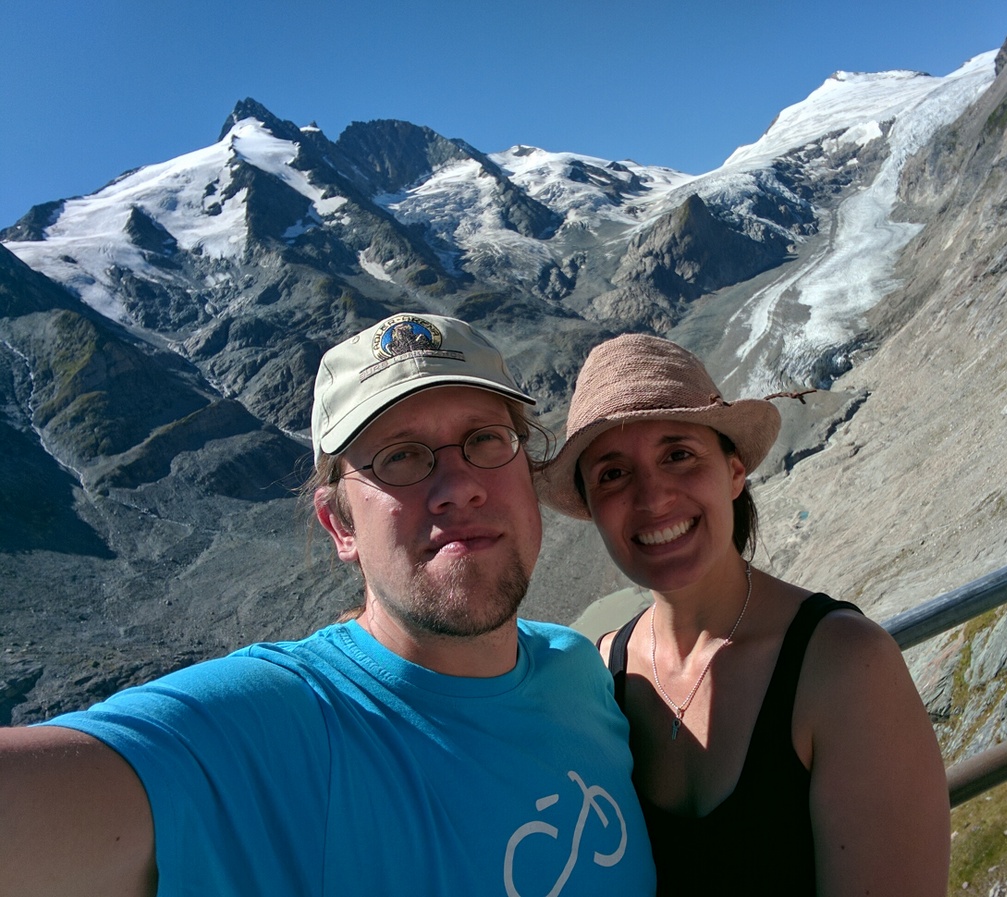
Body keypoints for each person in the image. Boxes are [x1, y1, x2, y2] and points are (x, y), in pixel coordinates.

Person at [0, 312, 655, 897]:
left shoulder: (580, 673)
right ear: (340, 526)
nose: (458, 486)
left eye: (485, 438)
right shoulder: (277, 731)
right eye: (400, 457)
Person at [538, 334, 950, 896]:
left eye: (678, 455)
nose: (653, 498)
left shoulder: (847, 667)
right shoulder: (600, 675)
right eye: (612, 474)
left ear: (734, 473)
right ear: (592, 509)